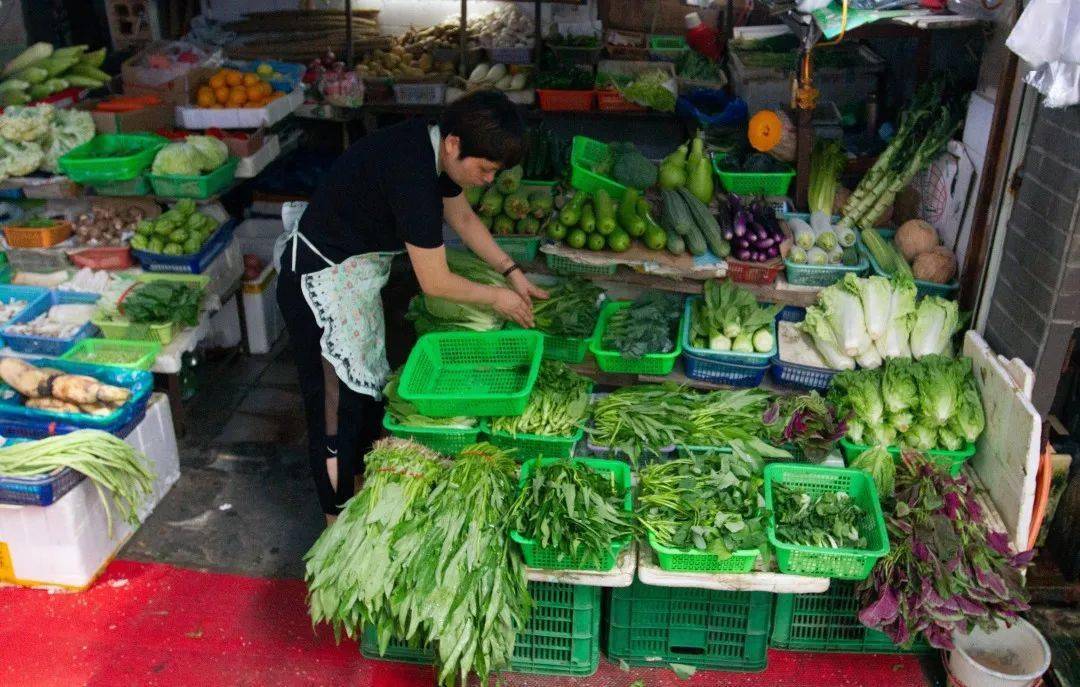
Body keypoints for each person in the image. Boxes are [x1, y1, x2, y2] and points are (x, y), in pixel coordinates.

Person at [274, 91, 548, 523]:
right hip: (318, 285)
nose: (489, 180)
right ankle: (335, 526)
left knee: (363, 400)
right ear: (455, 145)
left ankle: (357, 497)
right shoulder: (414, 179)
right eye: (486, 169)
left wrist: (513, 272)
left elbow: (464, 220)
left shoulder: (431, 143)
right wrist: (499, 298)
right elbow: (435, 283)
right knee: (334, 415)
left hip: (354, 278)